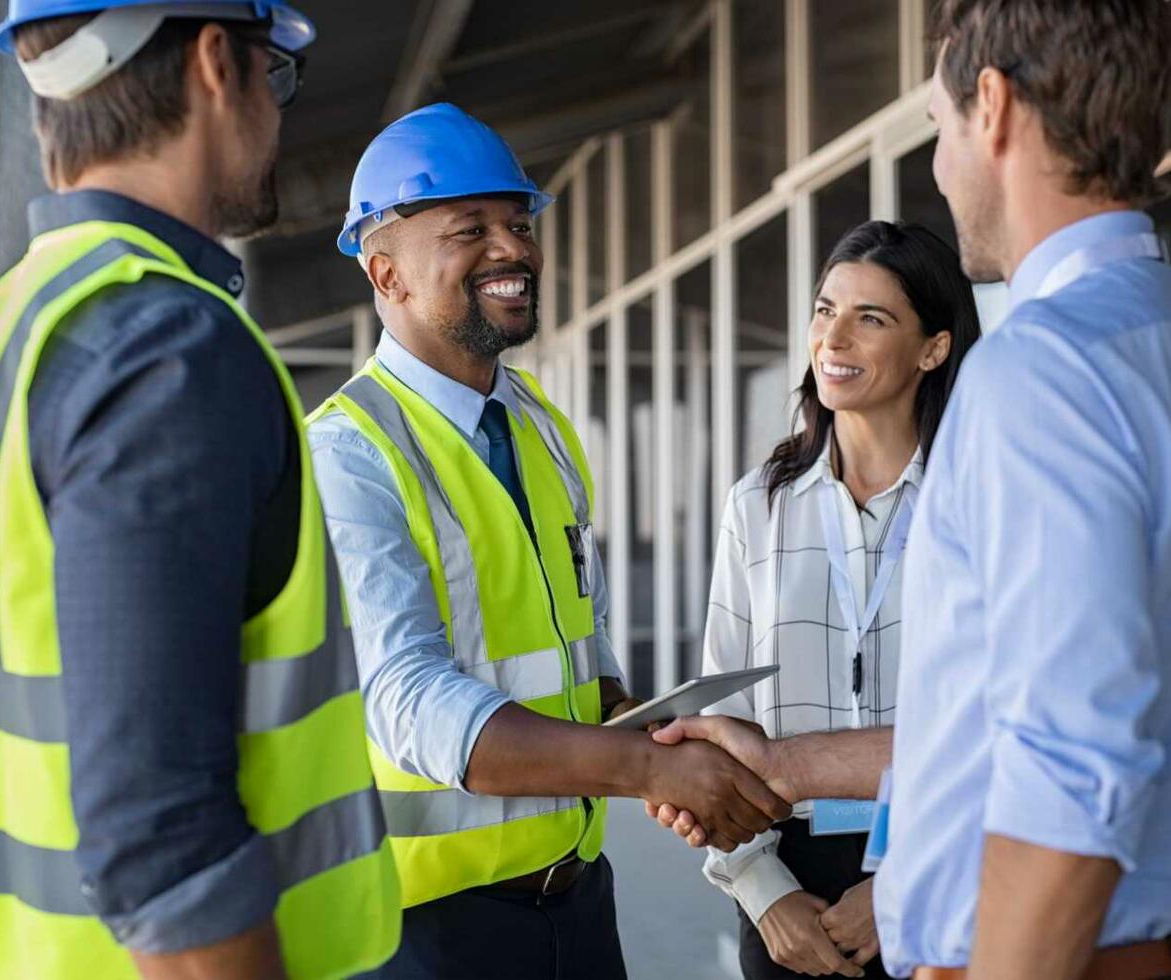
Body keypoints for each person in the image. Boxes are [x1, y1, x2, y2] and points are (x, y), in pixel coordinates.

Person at [651, 2, 1171, 979]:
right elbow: (1000, 712)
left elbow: (1067, 760)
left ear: (995, 105)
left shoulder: (1041, 374)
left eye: (936, 127)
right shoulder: (1143, 337)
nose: (938, 163)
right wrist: (781, 768)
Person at [307, 102, 788, 980]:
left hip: (575, 903)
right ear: (387, 273)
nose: (513, 248)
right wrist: (642, 770)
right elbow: (409, 703)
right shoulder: (348, 453)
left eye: (518, 223)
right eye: (469, 229)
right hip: (425, 934)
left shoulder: (536, 424)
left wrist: (651, 733)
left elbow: (579, 646)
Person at [0, 3, 400, 978]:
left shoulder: (8, 326)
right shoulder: (166, 349)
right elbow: (164, 846)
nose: (278, 112)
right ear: (217, 61)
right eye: (274, 73)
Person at [678, 221, 978, 980]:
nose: (832, 338)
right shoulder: (759, 504)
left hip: (947, 860)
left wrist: (904, 881)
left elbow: (997, 717)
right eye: (824, 310)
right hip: (789, 869)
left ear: (932, 348)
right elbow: (723, 720)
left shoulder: (976, 498)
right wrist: (761, 889)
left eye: (869, 318)